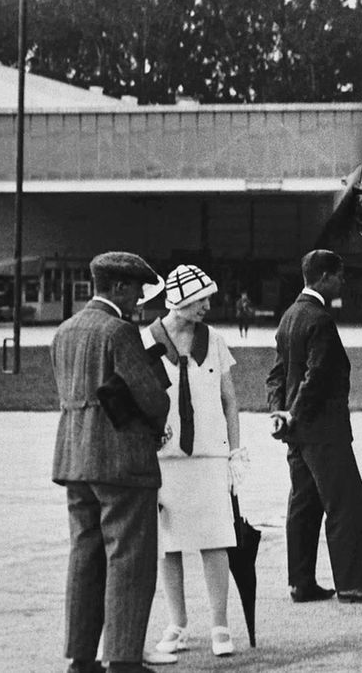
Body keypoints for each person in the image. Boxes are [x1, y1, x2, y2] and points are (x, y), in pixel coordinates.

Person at [51, 251, 171, 673]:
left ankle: (81, 659)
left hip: (74, 456)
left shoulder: (64, 331)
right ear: (118, 287)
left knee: (85, 557)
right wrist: (157, 416)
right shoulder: (119, 333)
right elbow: (152, 398)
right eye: (137, 288)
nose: (140, 297)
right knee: (129, 560)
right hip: (123, 460)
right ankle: (122, 660)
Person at [267, 249, 362, 605]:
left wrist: (278, 412)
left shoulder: (290, 316)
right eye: (339, 275)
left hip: (298, 434)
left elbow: (277, 374)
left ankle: (301, 582)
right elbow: (317, 375)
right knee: (347, 504)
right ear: (324, 276)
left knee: (304, 505)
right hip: (323, 430)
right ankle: (353, 583)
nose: (343, 281)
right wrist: (294, 413)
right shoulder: (319, 320)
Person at [145, 266, 246, 659]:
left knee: (215, 540)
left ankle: (220, 624)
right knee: (168, 544)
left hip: (208, 455)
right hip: (164, 460)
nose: (208, 305)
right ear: (180, 301)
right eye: (201, 299)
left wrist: (235, 451)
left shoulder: (215, 340)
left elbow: (229, 400)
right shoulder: (147, 341)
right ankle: (177, 622)